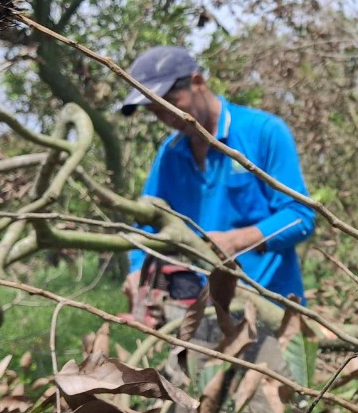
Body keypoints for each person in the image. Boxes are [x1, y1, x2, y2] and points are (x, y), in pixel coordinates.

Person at [118, 46, 316, 308]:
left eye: (169, 106)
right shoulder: (170, 154)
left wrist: (235, 241)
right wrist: (137, 268)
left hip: (270, 307)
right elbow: (148, 219)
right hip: (197, 310)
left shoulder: (263, 133)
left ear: (198, 83)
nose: (165, 119)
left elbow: (299, 217)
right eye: (155, 113)